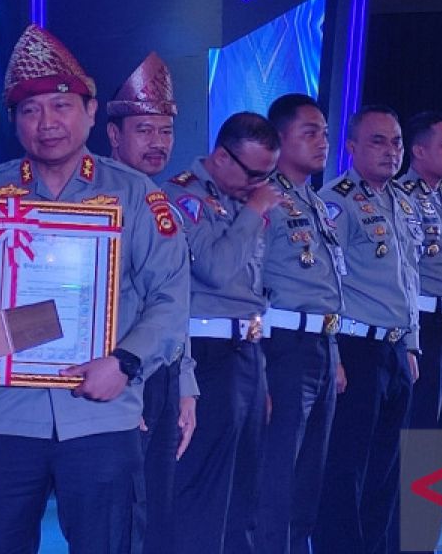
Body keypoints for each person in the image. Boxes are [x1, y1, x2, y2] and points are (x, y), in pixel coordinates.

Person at [0, 24, 190, 553]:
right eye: (30, 111)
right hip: (4, 411)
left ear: (92, 112)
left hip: (101, 410)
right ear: (15, 122)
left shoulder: (135, 196)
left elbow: (170, 299)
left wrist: (123, 363)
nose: (46, 123)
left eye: (61, 106)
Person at [164, 111, 282, 554]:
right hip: (207, 350)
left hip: (248, 349)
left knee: (245, 487)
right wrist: (253, 211)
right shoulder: (183, 197)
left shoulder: (241, 199)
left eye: (267, 175)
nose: (260, 184)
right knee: (202, 487)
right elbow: (214, 270)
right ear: (220, 156)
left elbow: (254, 286)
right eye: (253, 173)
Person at [314, 105, 420, 554]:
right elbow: (327, 281)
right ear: (351, 147)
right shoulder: (336, 199)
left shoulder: (400, 199)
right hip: (356, 348)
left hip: (395, 350)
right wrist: (333, 351)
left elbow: (409, 277)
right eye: (378, 141)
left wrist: (411, 344)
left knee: (387, 466)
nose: (390, 151)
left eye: (396, 141)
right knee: (346, 467)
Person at [105, 52, 198, 554]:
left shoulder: (161, 203)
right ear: (114, 135)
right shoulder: (97, 201)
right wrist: (131, 383)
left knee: (159, 518)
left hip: (163, 380)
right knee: (124, 519)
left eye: (165, 131)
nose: (159, 143)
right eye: (145, 130)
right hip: (122, 376)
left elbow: (173, 305)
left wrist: (185, 386)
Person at [257, 93, 345, 554]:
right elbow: (248, 284)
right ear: (279, 139)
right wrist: (259, 368)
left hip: (322, 344)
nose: (322, 142)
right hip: (281, 345)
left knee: (310, 474)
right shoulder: (262, 199)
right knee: (276, 476)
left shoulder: (313, 200)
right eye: (309, 132)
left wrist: (334, 354)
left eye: (325, 133)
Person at [396, 111, 442, 553]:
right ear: (418, 151)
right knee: (418, 441)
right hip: (420, 326)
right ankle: (404, 541)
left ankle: (427, 542)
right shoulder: (401, 199)